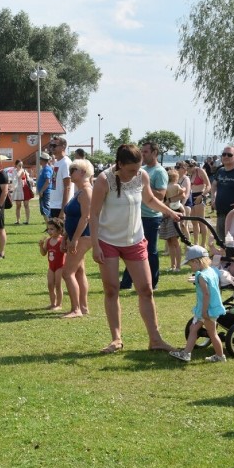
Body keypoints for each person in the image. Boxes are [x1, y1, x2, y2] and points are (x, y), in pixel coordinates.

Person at [89, 144, 183, 354]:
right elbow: (93, 214)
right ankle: (116, 339)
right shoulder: (104, 180)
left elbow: (149, 200)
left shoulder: (141, 176)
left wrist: (170, 212)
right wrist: (95, 245)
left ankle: (155, 339)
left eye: (138, 168)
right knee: (112, 290)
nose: (135, 174)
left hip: (135, 240)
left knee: (146, 290)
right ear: (119, 164)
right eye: (130, 169)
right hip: (108, 241)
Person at [121, 141, 168, 290]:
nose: (142, 154)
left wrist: (144, 186)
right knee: (131, 248)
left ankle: (153, 283)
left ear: (155, 153)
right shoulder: (142, 169)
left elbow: (161, 195)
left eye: (145, 152)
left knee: (151, 251)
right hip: (137, 215)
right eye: (142, 151)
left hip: (151, 217)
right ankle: (127, 282)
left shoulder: (159, 172)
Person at [169, 245, 227, 363]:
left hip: (206, 310)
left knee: (212, 333)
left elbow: (206, 294)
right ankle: (186, 353)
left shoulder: (201, 276)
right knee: (193, 328)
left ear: (197, 261)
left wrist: (204, 312)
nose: (191, 267)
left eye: (191, 265)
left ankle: (220, 356)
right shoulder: (212, 270)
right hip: (211, 308)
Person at [61, 158, 94, 318]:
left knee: (67, 273)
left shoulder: (87, 191)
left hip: (83, 236)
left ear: (82, 172)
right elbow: (72, 217)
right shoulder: (79, 191)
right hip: (76, 236)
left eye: (73, 169)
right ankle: (83, 307)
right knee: (79, 271)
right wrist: (66, 236)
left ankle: (76, 309)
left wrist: (74, 239)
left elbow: (85, 217)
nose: (70, 171)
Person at [158, 168, 185, 273]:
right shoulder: (176, 186)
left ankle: (176, 265)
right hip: (172, 212)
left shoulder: (165, 187)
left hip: (169, 214)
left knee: (172, 242)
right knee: (172, 242)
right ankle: (175, 265)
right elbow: (183, 193)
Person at [39, 218, 66, 311]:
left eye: (52, 229)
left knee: (58, 285)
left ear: (59, 230)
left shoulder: (62, 240)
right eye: (48, 229)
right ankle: (52, 303)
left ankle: (59, 304)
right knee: (50, 284)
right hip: (51, 267)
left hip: (60, 266)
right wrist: (41, 246)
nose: (49, 231)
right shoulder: (48, 240)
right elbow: (43, 253)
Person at [47, 137, 72, 219]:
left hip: (60, 207)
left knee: (60, 232)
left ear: (63, 147)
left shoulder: (66, 163)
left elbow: (67, 187)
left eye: (54, 145)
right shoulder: (57, 162)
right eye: (51, 145)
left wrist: (63, 210)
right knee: (53, 232)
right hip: (54, 205)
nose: (52, 148)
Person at [188, 159, 211, 247]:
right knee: (194, 222)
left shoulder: (200, 171)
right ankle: (196, 242)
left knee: (202, 220)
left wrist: (202, 196)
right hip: (191, 196)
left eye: (189, 168)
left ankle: (203, 243)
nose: (188, 170)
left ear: (193, 166)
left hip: (200, 195)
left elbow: (208, 185)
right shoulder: (190, 174)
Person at [10, 160, 33, 225]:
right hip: (18, 189)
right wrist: (20, 175)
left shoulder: (24, 170)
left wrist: (30, 181)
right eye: (19, 165)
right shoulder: (14, 171)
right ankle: (18, 220)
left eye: (21, 165)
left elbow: (28, 179)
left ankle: (27, 220)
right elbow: (14, 180)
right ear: (16, 165)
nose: (21, 166)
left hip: (25, 189)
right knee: (18, 206)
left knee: (26, 205)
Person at [35, 152, 53, 220]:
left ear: (42, 160)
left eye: (40, 159)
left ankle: (50, 226)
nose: (39, 161)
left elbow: (48, 181)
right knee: (44, 210)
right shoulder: (44, 169)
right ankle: (48, 227)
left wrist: (42, 191)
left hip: (45, 192)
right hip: (44, 192)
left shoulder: (46, 169)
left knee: (45, 210)